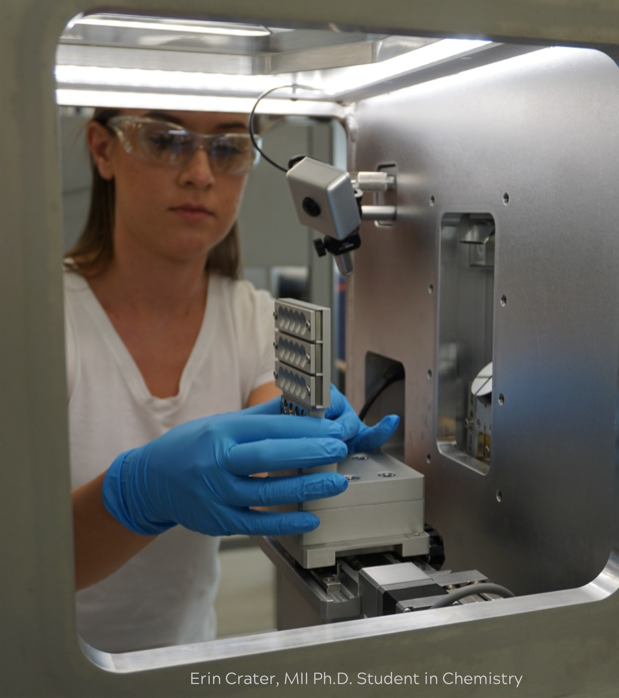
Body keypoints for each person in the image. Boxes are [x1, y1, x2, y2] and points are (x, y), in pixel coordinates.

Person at [65, 107, 398, 653]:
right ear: (103, 150)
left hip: (181, 662)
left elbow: (270, 488)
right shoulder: (39, 319)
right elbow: (22, 562)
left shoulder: (251, 319)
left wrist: (316, 440)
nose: (200, 172)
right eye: (164, 140)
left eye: (226, 149)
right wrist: (132, 496)